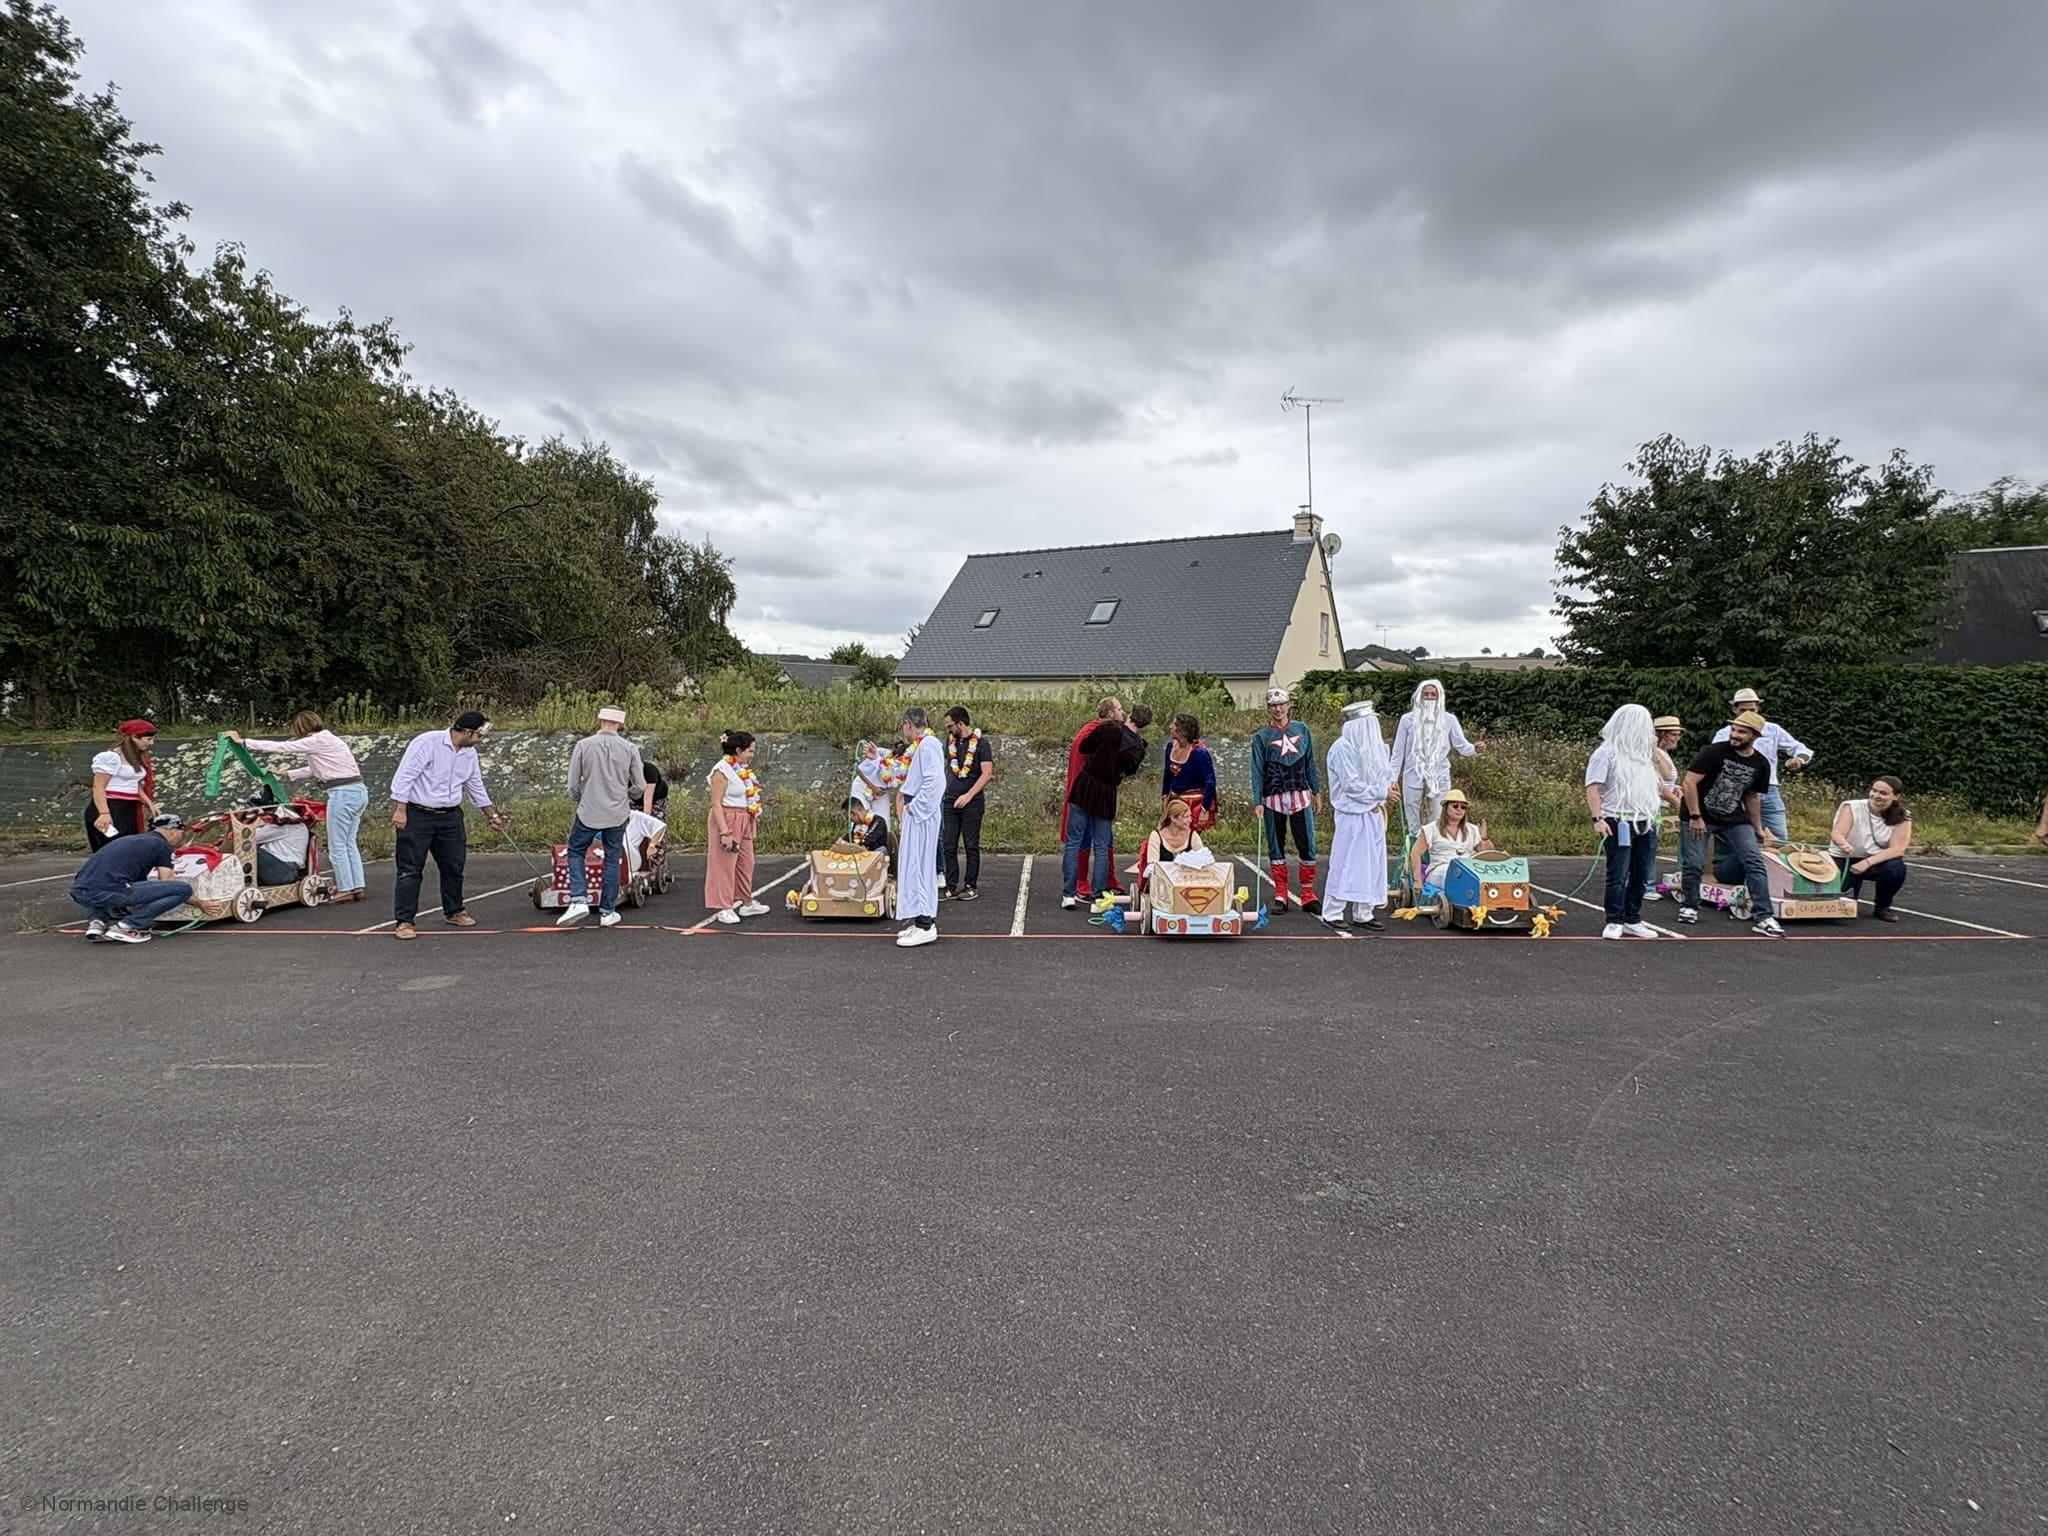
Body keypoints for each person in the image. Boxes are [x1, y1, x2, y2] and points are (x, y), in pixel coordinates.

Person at [388, 710, 503, 941]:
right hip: (417, 813)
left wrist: (491, 814)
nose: (480, 741)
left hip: (450, 815)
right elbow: (405, 776)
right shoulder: (426, 743)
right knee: (410, 868)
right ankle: (404, 921)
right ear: (467, 732)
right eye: (479, 736)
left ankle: (454, 910)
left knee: (454, 865)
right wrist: (400, 810)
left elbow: (475, 784)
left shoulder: (469, 754)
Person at [230, 711, 367, 903]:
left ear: (301, 728)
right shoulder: (330, 740)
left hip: (342, 793)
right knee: (349, 842)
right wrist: (288, 774)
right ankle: (356, 885)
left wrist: (244, 742)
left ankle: (345, 888)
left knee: (337, 845)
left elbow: (284, 747)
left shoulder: (317, 740)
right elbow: (315, 769)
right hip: (357, 791)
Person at [1678, 710, 1781, 936]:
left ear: (1754, 735)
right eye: (1733, 730)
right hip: (1699, 815)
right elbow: (1689, 782)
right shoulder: (1713, 752)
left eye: (1741, 732)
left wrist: (1757, 827)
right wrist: (1695, 816)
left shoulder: (1760, 763)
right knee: (1695, 862)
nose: (1734, 734)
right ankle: (1690, 906)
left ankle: (1764, 916)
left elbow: (1752, 797)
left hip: (1733, 818)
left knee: (1753, 860)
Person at [557, 705, 647, 929]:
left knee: (576, 850)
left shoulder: (583, 745)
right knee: (612, 857)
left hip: (589, 809)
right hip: (617, 811)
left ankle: (579, 898)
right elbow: (641, 784)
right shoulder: (629, 748)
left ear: (600, 719)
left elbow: (572, 783)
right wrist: (627, 796)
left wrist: (580, 798)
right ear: (620, 723)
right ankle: (608, 910)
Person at [1584, 704, 1664, 940]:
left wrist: (1655, 751)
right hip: (1618, 820)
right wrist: (1598, 818)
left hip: (1645, 821)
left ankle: (1633, 918)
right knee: (1618, 873)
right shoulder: (1605, 753)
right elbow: (1593, 787)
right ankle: (1614, 919)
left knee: (1641, 873)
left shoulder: (1644, 756)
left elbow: (1669, 776)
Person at [1322, 699, 1393, 931]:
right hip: (1351, 815)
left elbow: (1380, 774)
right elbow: (1351, 785)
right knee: (1345, 862)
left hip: (1372, 813)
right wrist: (1381, 792)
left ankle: (1364, 912)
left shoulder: (1371, 748)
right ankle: (1332, 911)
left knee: (1371, 864)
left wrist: (1384, 793)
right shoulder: (1342, 749)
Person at [70, 813, 193, 944]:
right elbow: (167, 881)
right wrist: (200, 903)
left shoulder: (130, 840)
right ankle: (125, 926)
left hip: (78, 891)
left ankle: (97, 922)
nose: (182, 836)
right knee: (183, 889)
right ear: (173, 831)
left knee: (100, 883)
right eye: (181, 832)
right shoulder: (161, 845)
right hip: (108, 891)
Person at [1250, 687, 1321, 913]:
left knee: (1307, 844)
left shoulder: (1302, 729)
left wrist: (1316, 791)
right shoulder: (1262, 737)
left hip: (1300, 795)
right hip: (1273, 798)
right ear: (1267, 708)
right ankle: (1281, 893)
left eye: (1281, 704)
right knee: (1275, 844)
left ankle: (1308, 893)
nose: (1278, 709)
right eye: (1273, 705)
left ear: (1289, 705)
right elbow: (1257, 770)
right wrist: (1257, 800)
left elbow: (1310, 761)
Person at [1711, 687, 1812, 841]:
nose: (1749, 714)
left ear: (1758, 708)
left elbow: (1801, 748)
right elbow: (1715, 761)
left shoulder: (1773, 729)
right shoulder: (1725, 733)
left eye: (1752, 709)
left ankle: (1774, 863)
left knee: (1779, 837)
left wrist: (1798, 759)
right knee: (1741, 837)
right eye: (1743, 710)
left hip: (1769, 789)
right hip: (1739, 789)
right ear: (1734, 710)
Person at [1389, 679, 1481, 841]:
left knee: (1438, 816)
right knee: (1412, 818)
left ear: (1440, 697)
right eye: (1426, 695)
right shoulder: (1407, 720)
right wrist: (1392, 778)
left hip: (1439, 775)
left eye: (1433, 695)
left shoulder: (1449, 720)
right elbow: (1398, 752)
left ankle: (1433, 851)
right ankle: (1413, 853)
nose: (1429, 698)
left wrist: (1475, 749)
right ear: (1419, 697)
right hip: (1412, 775)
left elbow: (1462, 746)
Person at [1061, 700, 1131, 909]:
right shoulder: (1110, 735)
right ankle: (1095, 894)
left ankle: (1069, 894)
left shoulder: (1090, 732)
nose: (1122, 712)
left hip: (1082, 791)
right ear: (1110, 713)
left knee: (1077, 843)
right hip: (1101, 794)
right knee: (1098, 844)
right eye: (1119, 709)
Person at [704, 729, 768, 926]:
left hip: (743, 817)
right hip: (727, 817)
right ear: (738, 750)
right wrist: (725, 832)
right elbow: (716, 804)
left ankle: (746, 900)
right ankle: (724, 906)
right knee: (724, 864)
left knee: (746, 862)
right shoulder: (721, 770)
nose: (752, 755)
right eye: (750, 751)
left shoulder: (742, 768)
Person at [894, 707, 945, 947]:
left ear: (908, 724)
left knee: (921, 865)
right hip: (916, 812)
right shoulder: (922, 746)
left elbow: (935, 780)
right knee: (912, 865)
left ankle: (927, 924)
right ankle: (918, 918)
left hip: (922, 814)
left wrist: (917, 807)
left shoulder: (929, 744)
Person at [1831, 776, 1914, 922]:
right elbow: (1837, 833)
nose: (1876, 795)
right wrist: (1843, 844)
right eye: (1874, 790)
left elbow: (1898, 849)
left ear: (1896, 796)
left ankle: (1882, 907)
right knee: (1837, 901)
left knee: (1895, 868)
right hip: (1846, 857)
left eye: (1883, 793)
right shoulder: (1852, 806)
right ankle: (1852, 888)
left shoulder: (1904, 816)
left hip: (1875, 861)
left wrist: (1867, 863)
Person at [940, 706, 994, 902]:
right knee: (948, 844)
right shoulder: (950, 743)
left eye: (950, 726)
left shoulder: (981, 744)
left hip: (972, 803)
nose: (948, 730)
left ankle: (970, 885)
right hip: (950, 801)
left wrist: (969, 795)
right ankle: (950, 885)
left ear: (960, 723)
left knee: (971, 845)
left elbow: (987, 773)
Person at [85, 720, 159, 850]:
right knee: (112, 849)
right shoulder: (111, 757)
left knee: (129, 848)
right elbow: (98, 787)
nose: (150, 743)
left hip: (128, 809)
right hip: (110, 806)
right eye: (148, 739)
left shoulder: (136, 758)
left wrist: (149, 805)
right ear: (134, 737)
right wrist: (104, 813)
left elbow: (134, 786)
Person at [1132, 795, 1206, 924]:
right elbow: (1152, 866)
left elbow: (1204, 860)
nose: (1190, 820)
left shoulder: (1192, 835)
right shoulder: (1156, 836)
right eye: (1186, 817)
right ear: (1173, 818)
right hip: (1162, 885)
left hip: (1188, 882)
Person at [1406, 790, 1489, 898]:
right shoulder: (1431, 829)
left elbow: (1486, 854)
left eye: (1463, 807)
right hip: (1440, 868)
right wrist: (1417, 880)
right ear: (1446, 808)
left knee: (1471, 875)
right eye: (1455, 806)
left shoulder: (1472, 829)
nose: (1459, 809)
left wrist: (1484, 837)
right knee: (1455, 875)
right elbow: (1416, 852)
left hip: (1468, 870)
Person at [1161, 713, 1218, 832]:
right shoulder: (1171, 746)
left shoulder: (1200, 753)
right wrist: (1165, 795)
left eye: (1173, 724)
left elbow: (1210, 782)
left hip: (1193, 804)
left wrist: (1204, 809)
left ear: (1181, 731)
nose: (1170, 727)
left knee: (1189, 842)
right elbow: (1167, 773)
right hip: (1175, 802)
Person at [249, 794, 312, 887]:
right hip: (282, 869)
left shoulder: (283, 822)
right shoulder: (282, 818)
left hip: (285, 871)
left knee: (249, 848)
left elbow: (251, 838)